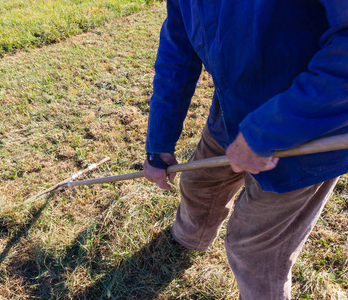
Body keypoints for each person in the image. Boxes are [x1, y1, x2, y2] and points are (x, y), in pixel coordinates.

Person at [143, 0, 348, 299]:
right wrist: (158, 142)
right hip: (231, 112)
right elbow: (177, 53)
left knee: (254, 249)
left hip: (306, 133)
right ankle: (189, 239)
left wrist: (268, 130)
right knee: (199, 184)